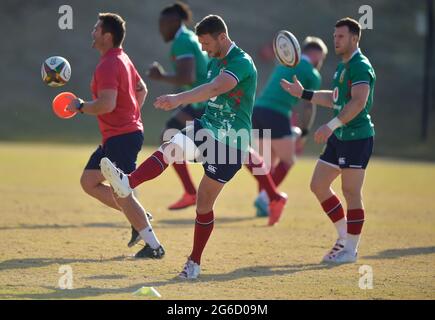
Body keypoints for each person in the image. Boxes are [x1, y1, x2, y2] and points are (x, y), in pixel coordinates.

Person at [100, 14, 258, 279]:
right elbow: (206, 90)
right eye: (201, 44)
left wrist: (177, 99)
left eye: (206, 43)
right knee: (172, 144)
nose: (204, 49)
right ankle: (128, 182)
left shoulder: (241, 62)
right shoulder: (213, 60)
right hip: (207, 128)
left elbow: (215, 88)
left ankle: (194, 263)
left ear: (222, 37)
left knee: (204, 203)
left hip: (231, 143)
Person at [66, 13, 164, 259]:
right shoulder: (122, 58)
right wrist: (129, 116)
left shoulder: (109, 64)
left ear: (107, 36)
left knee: (123, 192)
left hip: (122, 137)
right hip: (120, 135)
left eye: (96, 29)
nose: (92, 32)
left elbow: (106, 104)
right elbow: (142, 89)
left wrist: (79, 106)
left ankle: (154, 247)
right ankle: (139, 216)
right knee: (89, 180)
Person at [281, 17, 376, 263]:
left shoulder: (360, 65)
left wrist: (332, 124)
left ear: (354, 38)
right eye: (334, 36)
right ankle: (344, 236)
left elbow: (358, 102)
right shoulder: (342, 66)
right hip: (340, 137)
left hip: (357, 137)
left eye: (341, 36)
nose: (336, 40)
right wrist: (303, 94)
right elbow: (334, 99)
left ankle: (350, 250)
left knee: (351, 191)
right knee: (318, 185)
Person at [252, 36, 327, 217]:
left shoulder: (283, 63)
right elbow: (308, 105)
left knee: (267, 163)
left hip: (258, 111)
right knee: (288, 161)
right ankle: (265, 198)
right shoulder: (312, 73)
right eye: (322, 57)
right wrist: (305, 131)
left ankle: (264, 203)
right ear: (316, 54)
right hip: (277, 114)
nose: (321, 62)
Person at [147, 2, 209, 210]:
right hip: (202, 99)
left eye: (163, 24)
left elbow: (187, 76)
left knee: (169, 136)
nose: (160, 29)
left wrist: (160, 76)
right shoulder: (188, 38)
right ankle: (272, 194)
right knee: (170, 136)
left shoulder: (181, 41)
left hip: (203, 100)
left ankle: (191, 192)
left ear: (174, 22)